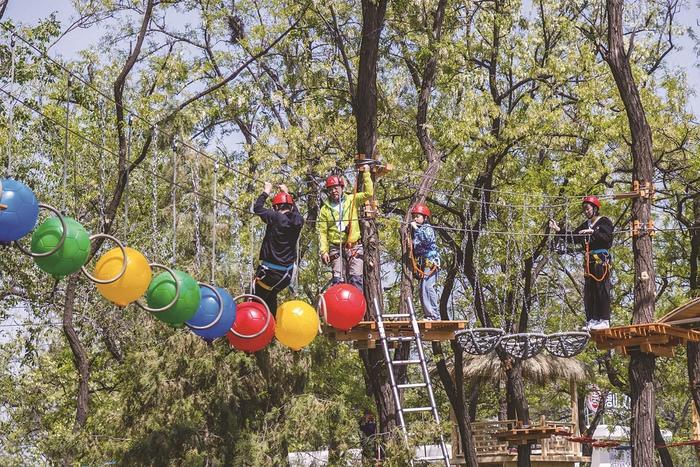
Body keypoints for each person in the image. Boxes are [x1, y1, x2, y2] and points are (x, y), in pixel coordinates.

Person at [549, 196, 613, 330]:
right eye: (584, 209)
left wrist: (593, 232)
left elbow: (608, 238)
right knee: (590, 291)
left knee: (602, 288)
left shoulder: (604, 222)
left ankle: (604, 319)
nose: (586, 212)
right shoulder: (585, 225)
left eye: (588, 208)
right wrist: (558, 230)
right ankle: (592, 319)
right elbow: (574, 237)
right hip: (589, 260)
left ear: (595, 209)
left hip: (601, 258)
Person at [317, 164, 373, 291]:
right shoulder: (325, 210)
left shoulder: (351, 200)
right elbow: (322, 232)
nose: (334, 191)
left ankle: (357, 309)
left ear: (342, 187)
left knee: (356, 280)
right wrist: (324, 251)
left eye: (336, 188)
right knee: (338, 280)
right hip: (336, 247)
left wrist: (366, 174)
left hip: (353, 246)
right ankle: (338, 309)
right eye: (330, 189)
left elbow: (369, 193)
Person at [252, 182, 304, 316]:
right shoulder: (298, 220)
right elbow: (295, 211)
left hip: (270, 273)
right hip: (285, 276)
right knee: (271, 296)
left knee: (254, 300)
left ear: (276, 207)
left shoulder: (275, 217)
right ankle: (272, 329)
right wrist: (286, 193)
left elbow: (257, 208)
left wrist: (266, 191)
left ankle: (254, 332)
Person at [410, 203, 441, 320]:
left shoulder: (427, 229)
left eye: (418, 216)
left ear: (425, 217)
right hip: (424, 262)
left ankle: (434, 315)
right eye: (414, 216)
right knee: (423, 288)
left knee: (428, 287)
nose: (415, 218)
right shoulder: (420, 229)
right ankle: (429, 314)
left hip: (431, 261)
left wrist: (416, 228)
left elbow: (427, 240)